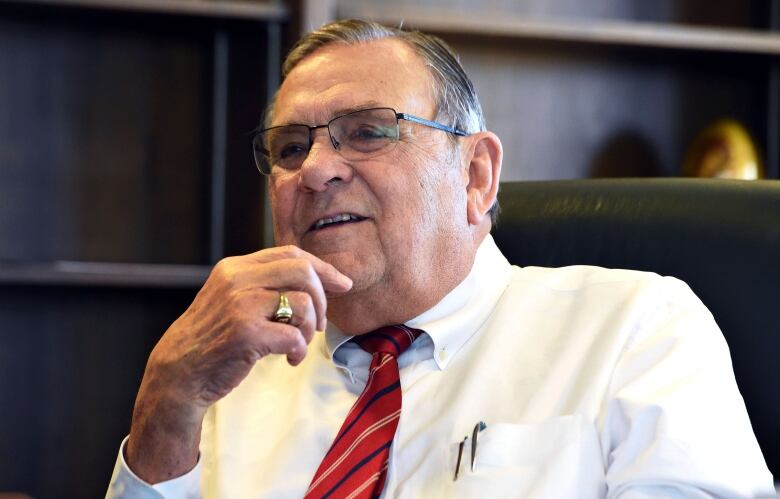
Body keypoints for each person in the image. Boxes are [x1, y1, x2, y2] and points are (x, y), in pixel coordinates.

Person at [107, 19, 773, 498]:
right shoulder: (231, 371)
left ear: (476, 175)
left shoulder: (637, 327)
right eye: (289, 149)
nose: (313, 171)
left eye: (366, 131)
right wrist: (167, 401)